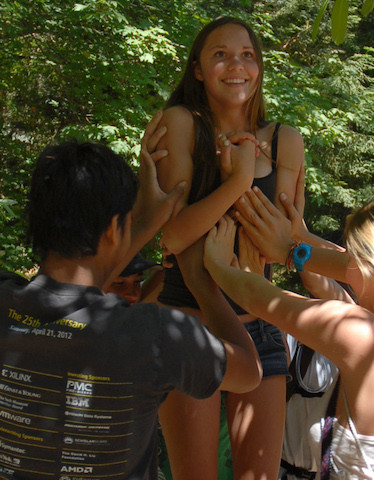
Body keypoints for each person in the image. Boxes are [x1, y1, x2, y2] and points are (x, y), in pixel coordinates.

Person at [0, 122, 262, 480]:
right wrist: (200, 283)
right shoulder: (154, 338)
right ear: (114, 230)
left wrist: (141, 225)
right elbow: (249, 372)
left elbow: (77, 288)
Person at [208, 183, 374, 479]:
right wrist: (291, 251)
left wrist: (217, 265)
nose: (347, 268)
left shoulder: (366, 337)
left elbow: (258, 297)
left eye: (351, 257)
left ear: (373, 264)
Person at [152, 16, 304, 480]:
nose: (236, 65)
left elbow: (284, 246)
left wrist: (277, 241)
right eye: (220, 54)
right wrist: (238, 181)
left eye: (247, 55)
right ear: (198, 69)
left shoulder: (285, 140)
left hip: (261, 327)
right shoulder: (180, 124)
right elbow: (172, 236)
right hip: (187, 326)